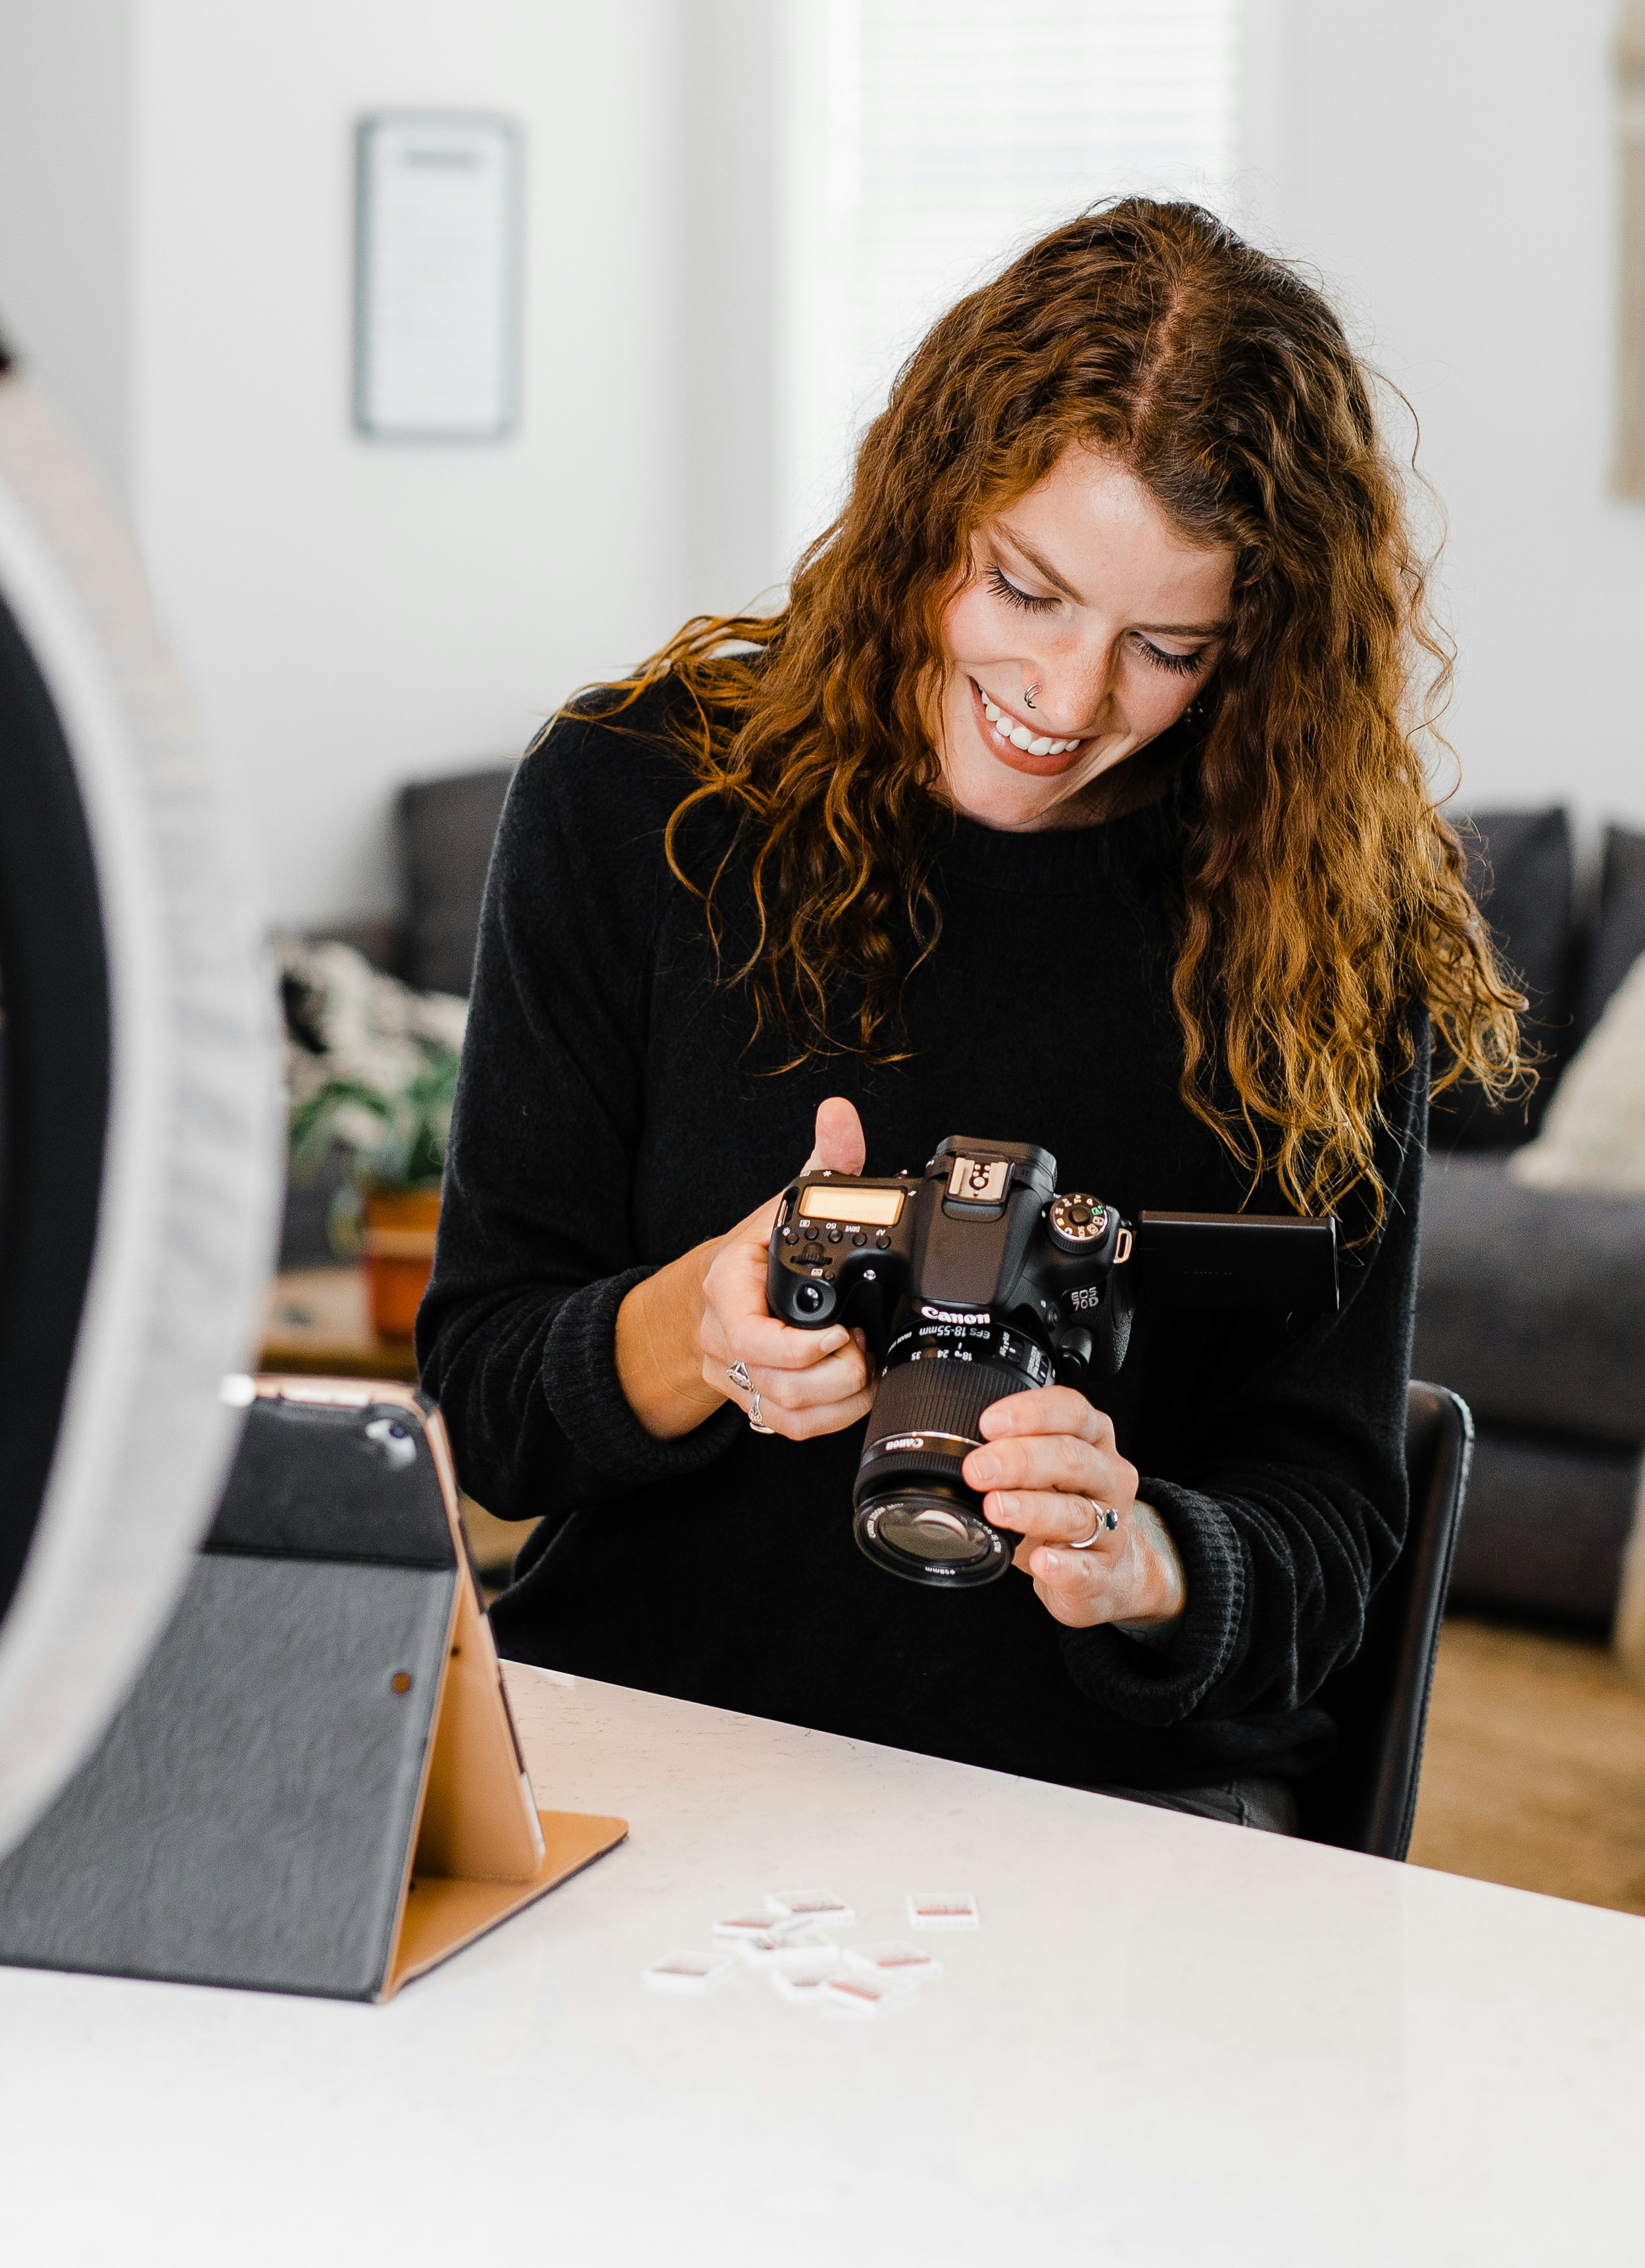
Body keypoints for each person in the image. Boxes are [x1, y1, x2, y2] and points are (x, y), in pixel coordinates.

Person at [414, 199, 1523, 1827]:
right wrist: (699, 1326)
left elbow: (1331, 1526)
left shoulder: (1317, 917)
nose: (1068, 701)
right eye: (1024, 588)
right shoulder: (640, 802)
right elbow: (486, 1401)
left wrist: (1143, 1556)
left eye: (1166, 648)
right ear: (927, 510)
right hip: (645, 1736)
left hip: (1093, 1806)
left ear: (1257, 649)